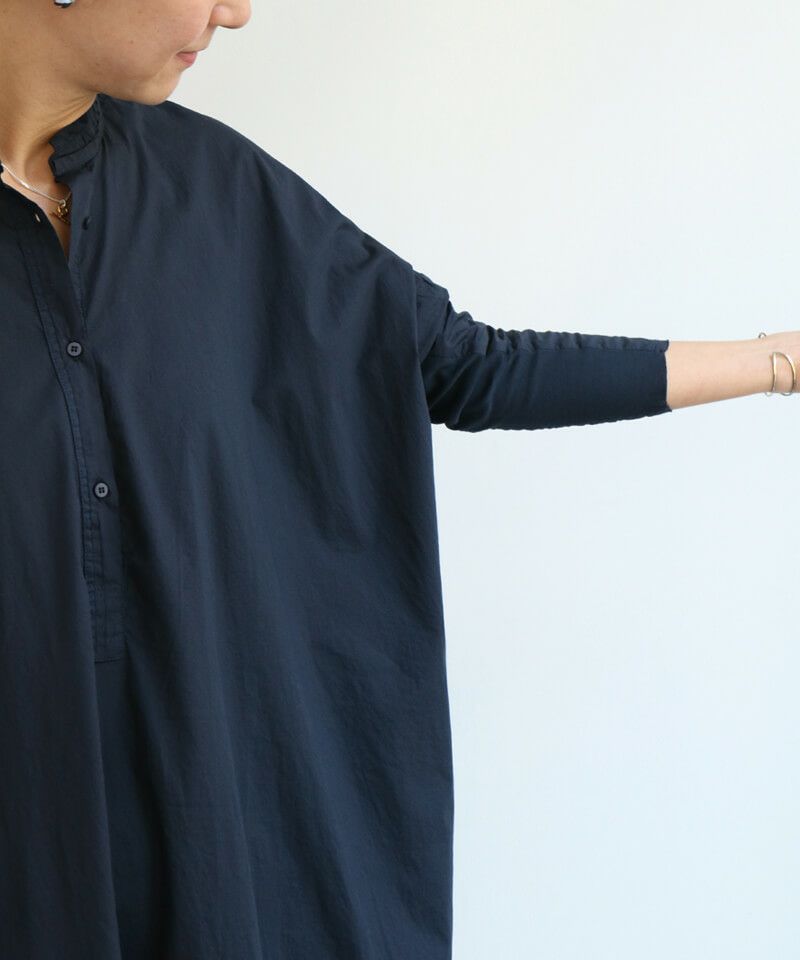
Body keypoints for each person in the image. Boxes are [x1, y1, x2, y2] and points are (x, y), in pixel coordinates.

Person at [0, 2, 796, 959]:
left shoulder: (215, 191)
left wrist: (777, 362)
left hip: (207, 842)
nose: (236, 12)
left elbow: (462, 365)